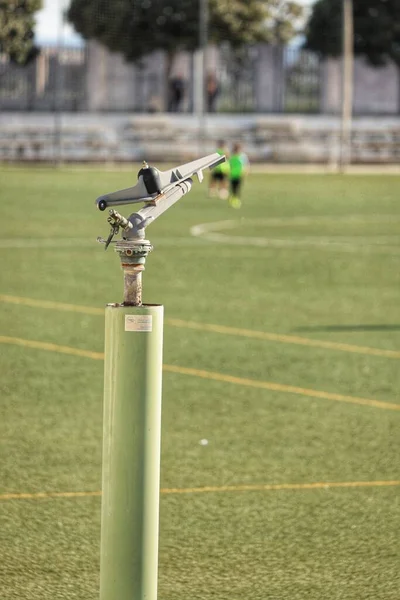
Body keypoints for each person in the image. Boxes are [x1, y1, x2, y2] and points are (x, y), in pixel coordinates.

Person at [228, 143, 249, 209]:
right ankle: (233, 198)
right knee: (233, 187)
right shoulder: (232, 156)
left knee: (238, 187)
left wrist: (245, 172)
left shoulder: (242, 156)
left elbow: (245, 165)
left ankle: (236, 199)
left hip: (239, 174)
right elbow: (229, 164)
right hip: (232, 174)